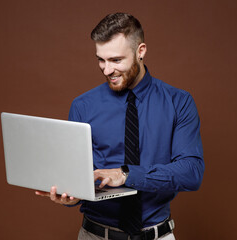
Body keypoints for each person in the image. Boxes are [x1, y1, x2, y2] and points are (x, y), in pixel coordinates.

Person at [35, 13, 204, 240]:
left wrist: (126, 175)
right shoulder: (83, 106)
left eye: (116, 60)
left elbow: (191, 173)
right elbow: (81, 176)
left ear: (140, 51)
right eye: (100, 60)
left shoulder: (179, 102)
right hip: (95, 235)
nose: (106, 70)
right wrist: (73, 196)